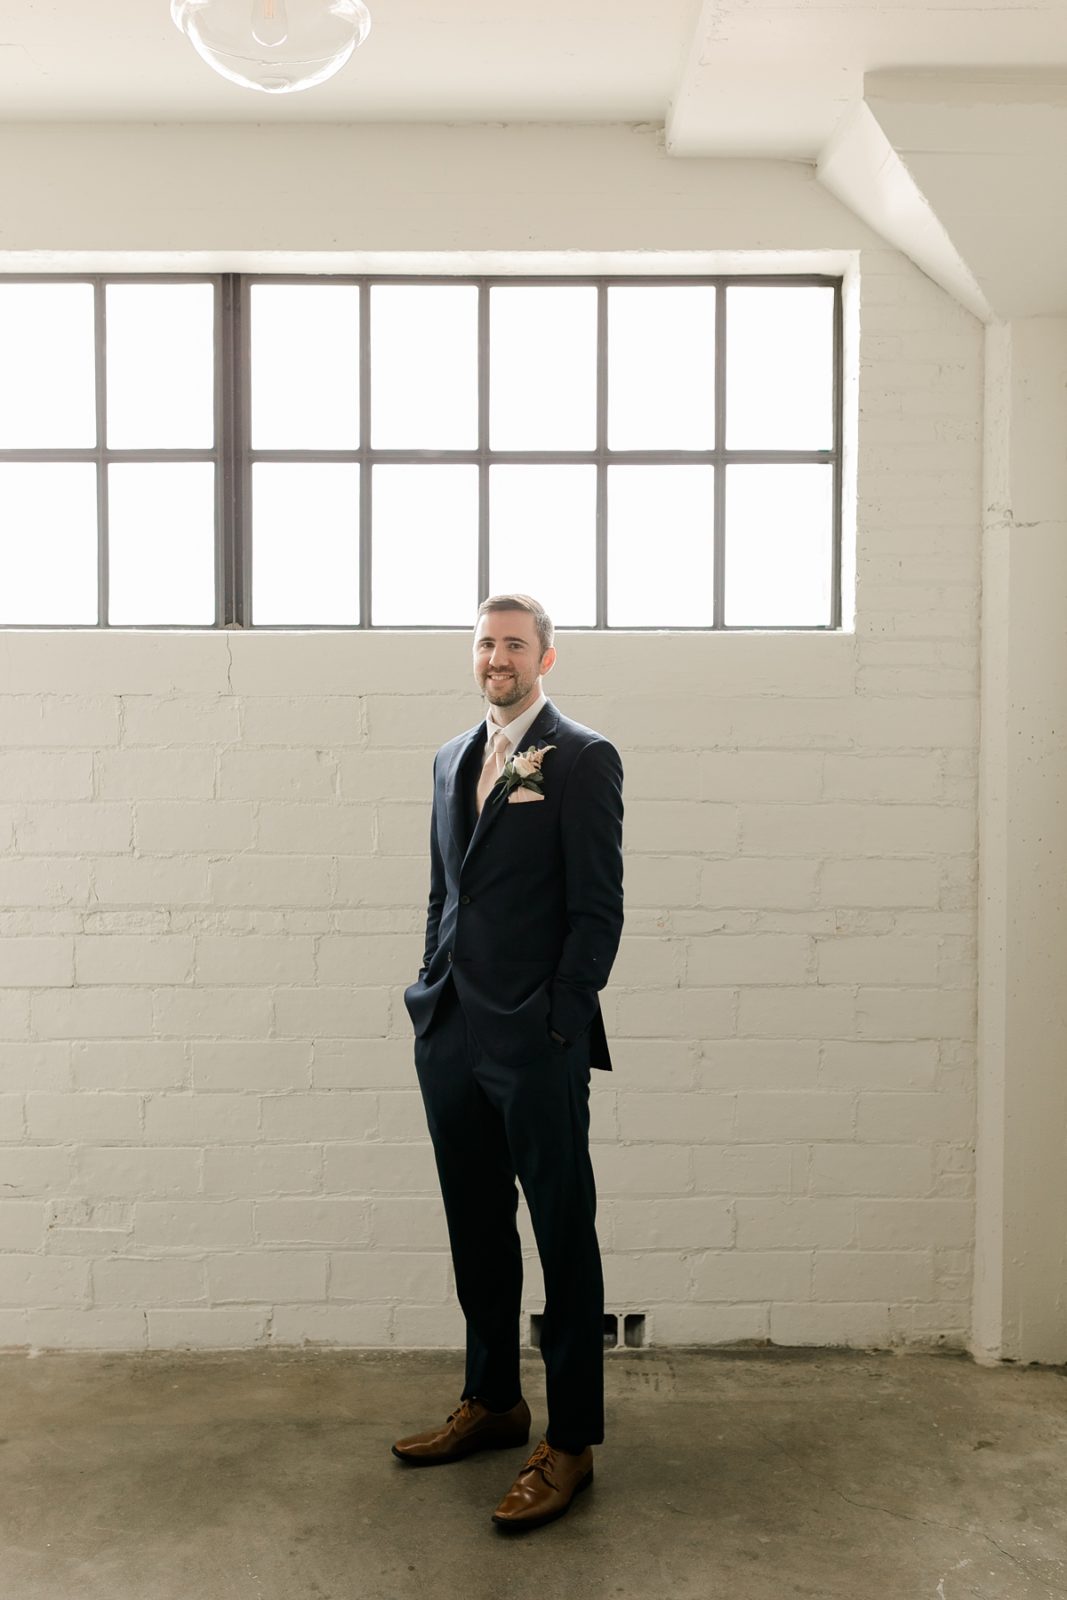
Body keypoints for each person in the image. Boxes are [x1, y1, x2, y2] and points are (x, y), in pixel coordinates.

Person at [394, 592, 625, 1531]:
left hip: (535, 1042)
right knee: (476, 1228)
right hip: (450, 1033)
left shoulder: (581, 758)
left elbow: (598, 910)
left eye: (515, 645)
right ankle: (492, 1401)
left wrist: (557, 1024)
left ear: (546, 659)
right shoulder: (453, 756)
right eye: (486, 644)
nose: (498, 658)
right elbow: (443, 892)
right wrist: (426, 994)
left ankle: (568, 1442)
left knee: (562, 1233)